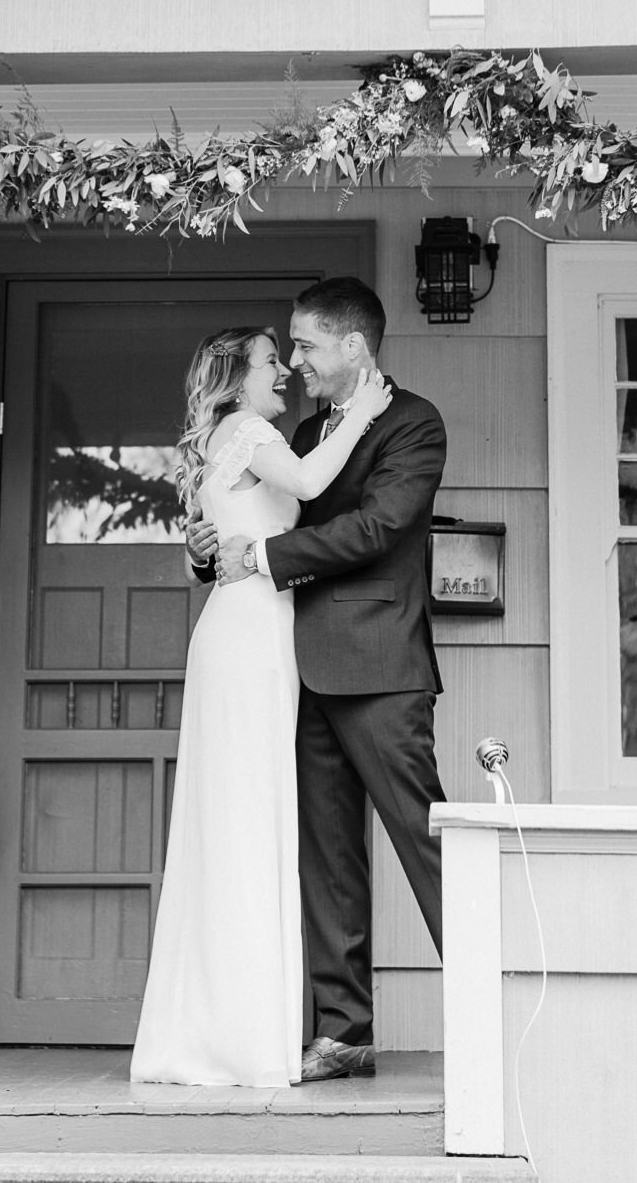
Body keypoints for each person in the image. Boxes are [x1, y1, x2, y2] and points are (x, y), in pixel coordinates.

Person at [189, 276, 449, 1083]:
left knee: (427, 845)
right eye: (289, 348)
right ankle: (345, 1030)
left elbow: (377, 527)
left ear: (353, 347)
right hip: (294, 671)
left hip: (379, 668)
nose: (295, 359)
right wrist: (212, 549)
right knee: (328, 858)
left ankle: (492, 996)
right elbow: (255, 513)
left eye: (304, 344)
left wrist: (259, 558)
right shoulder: (300, 429)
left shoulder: (413, 423)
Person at [130, 328, 389, 1087]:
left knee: (238, 817)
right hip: (254, 633)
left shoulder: (215, 439)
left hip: (235, 624)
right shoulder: (249, 429)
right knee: (252, 815)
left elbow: (206, 548)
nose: (284, 370)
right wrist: (364, 412)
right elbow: (308, 486)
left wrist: (200, 551)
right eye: (271, 360)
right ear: (239, 378)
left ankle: (225, 1024)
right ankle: (247, 1035)